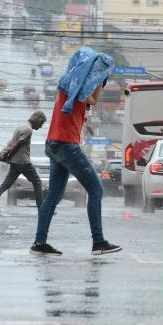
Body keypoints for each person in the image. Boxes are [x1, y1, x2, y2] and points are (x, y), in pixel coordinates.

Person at [31, 47, 121, 256]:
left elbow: (90, 100)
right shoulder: (78, 86)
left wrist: (99, 80)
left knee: (53, 195)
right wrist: (100, 78)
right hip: (66, 145)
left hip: (54, 144)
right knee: (96, 190)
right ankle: (98, 242)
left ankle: (39, 243)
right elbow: (93, 98)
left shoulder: (70, 84)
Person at [0, 111, 47, 216]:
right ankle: (42, 210)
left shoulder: (21, 127)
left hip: (16, 162)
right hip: (23, 162)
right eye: (41, 123)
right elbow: (16, 145)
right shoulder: (28, 130)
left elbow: (10, 144)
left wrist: (4, 155)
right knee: (37, 182)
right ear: (38, 120)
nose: (40, 126)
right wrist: (8, 157)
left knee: (5, 185)